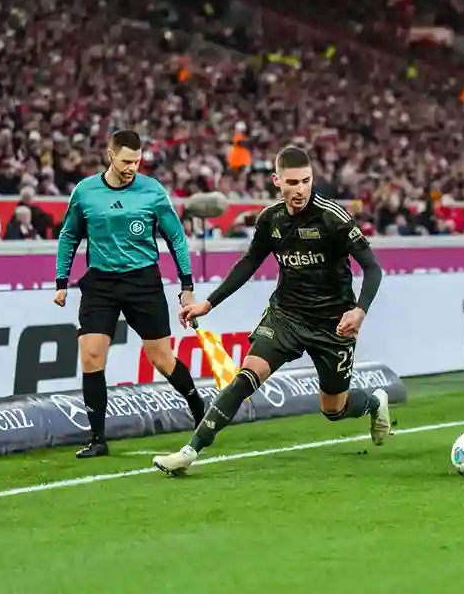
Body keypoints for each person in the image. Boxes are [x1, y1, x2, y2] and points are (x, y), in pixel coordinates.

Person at [153, 146, 389, 477]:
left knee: (333, 409)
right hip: (286, 315)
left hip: (333, 324)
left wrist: (360, 310)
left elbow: (372, 267)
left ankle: (375, 402)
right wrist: (208, 303)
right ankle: (189, 452)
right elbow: (249, 262)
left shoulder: (332, 217)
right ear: (277, 181)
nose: (300, 189)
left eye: (306, 181)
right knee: (245, 377)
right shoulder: (271, 219)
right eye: (292, 182)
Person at [54, 129, 206, 459]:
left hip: (143, 282)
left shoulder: (152, 191)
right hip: (101, 284)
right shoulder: (85, 191)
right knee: (91, 356)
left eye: (136, 161)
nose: (131, 168)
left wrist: (187, 286)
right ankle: (98, 439)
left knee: (161, 359)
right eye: (126, 161)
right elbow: (69, 236)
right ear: (110, 155)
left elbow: (176, 238)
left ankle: (199, 407)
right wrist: (61, 281)